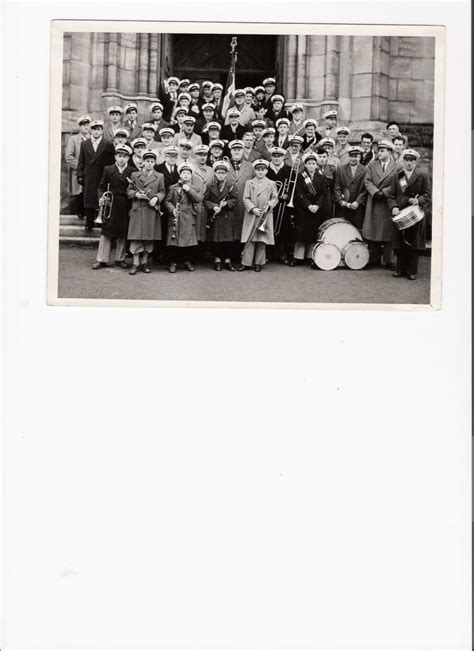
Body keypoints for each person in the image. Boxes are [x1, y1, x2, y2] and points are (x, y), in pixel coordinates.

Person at [386, 148, 431, 280]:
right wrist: (393, 207)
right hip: (400, 212)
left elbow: (427, 194)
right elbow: (391, 195)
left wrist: (418, 200)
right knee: (400, 242)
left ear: (415, 162)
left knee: (413, 242)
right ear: (403, 161)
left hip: (415, 213)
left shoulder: (422, 176)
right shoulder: (397, 176)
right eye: (406, 160)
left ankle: (412, 271)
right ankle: (400, 269)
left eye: (412, 160)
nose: (409, 163)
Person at [92, 143, 134, 269]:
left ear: (128, 158)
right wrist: (101, 197)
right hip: (111, 203)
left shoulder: (132, 171)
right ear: (115, 156)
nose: (121, 159)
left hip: (125, 203)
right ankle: (102, 259)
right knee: (107, 231)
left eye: (124, 156)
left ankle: (120, 259)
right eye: (119, 156)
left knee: (123, 231)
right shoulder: (108, 169)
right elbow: (101, 186)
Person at [126, 150, 166, 274]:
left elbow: (163, 191)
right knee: (136, 238)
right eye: (147, 161)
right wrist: (137, 194)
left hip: (151, 211)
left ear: (154, 163)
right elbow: (128, 191)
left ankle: (144, 263)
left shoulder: (159, 176)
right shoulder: (134, 175)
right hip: (138, 210)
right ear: (142, 162)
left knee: (149, 238)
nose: (149, 164)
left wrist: (156, 198)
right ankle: (135, 263)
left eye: (152, 161)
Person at [361, 139, 398, 268]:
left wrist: (385, 192)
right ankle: (374, 259)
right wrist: (375, 192)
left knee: (387, 231)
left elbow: (398, 184)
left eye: (382, 151)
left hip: (388, 202)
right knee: (374, 229)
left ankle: (388, 260)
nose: (379, 153)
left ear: (390, 152)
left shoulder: (397, 166)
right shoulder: (372, 165)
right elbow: (367, 181)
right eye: (379, 150)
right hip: (374, 200)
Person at [238, 159, 279, 272]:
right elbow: (245, 198)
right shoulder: (249, 182)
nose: (260, 172)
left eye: (263, 170)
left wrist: (269, 205)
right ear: (255, 171)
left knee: (262, 239)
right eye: (258, 170)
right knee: (249, 238)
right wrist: (253, 209)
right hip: (252, 214)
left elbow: (275, 198)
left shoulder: (271, 183)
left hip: (265, 215)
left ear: (266, 171)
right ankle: (246, 262)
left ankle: (259, 263)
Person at [77, 119, 116, 232]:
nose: (96, 132)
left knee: (101, 199)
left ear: (102, 131)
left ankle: (101, 221)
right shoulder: (85, 144)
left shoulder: (107, 144)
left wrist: (110, 176)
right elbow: (81, 161)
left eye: (98, 129)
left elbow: (111, 162)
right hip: (89, 176)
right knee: (89, 200)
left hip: (102, 175)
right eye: (94, 129)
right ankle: (89, 222)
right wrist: (80, 175)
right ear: (91, 131)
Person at [293, 150, 328, 267]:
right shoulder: (300, 176)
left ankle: (310, 256)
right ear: (305, 165)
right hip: (303, 208)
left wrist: (317, 205)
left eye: (313, 163)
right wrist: (308, 205)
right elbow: (299, 193)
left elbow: (324, 194)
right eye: (309, 163)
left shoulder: (321, 178)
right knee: (301, 233)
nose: (311, 166)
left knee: (313, 233)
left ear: (316, 165)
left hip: (316, 209)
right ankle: (298, 257)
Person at [163, 161, 200, 273]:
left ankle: (187, 261)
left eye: (188, 173)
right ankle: (173, 262)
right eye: (183, 173)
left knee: (187, 242)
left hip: (188, 218)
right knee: (174, 242)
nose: (185, 175)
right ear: (179, 174)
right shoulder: (173, 187)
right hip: (176, 218)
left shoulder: (194, 188)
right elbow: (167, 201)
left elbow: (197, 199)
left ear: (191, 175)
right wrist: (172, 209)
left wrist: (188, 189)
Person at [203, 160, 239, 271]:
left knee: (227, 241)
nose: (221, 175)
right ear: (215, 173)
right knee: (216, 240)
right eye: (218, 173)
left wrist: (226, 204)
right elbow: (205, 200)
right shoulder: (210, 185)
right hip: (215, 216)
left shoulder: (231, 186)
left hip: (227, 216)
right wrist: (213, 206)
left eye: (223, 173)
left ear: (226, 174)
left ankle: (228, 260)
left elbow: (236, 200)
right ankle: (217, 259)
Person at [266, 146, 295, 264]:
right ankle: (268, 253)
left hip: (284, 204)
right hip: (269, 203)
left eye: (279, 156)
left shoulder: (289, 169)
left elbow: (293, 187)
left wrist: (287, 194)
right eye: (274, 156)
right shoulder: (266, 168)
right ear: (271, 157)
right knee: (269, 227)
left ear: (283, 157)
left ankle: (282, 253)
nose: (277, 158)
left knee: (283, 228)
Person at [226, 139, 255, 256]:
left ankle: (241, 255)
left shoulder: (250, 166)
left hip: (244, 204)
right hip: (229, 203)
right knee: (229, 229)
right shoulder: (224, 165)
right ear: (231, 151)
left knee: (243, 228)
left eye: (239, 149)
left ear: (243, 151)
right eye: (234, 150)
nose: (237, 152)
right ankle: (229, 255)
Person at [334, 145, 367, 230]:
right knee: (343, 229)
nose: (353, 159)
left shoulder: (365, 170)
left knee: (357, 229)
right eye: (351, 156)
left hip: (358, 207)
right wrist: (341, 202)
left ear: (360, 157)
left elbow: (365, 189)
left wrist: (357, 202)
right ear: (348, 156)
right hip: (343, 207)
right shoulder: (341, 169)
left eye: (355, 156)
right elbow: (337, 186)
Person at [65, 114, 90, 220]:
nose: (85, 127)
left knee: (89, 193)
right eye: (83, 125)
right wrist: (80, 167)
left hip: (90, 173)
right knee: (78, 192)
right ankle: (78, 213)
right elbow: (69, 157)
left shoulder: (93, 139)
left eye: (87, 125)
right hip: (78, 173)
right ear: (80, 127)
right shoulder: (74, 139)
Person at [191, 144, 214, 247]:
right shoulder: (190, 169)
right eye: (200, 154)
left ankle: (203, 254)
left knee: (205, 230)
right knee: (193, 230)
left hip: (207, 206)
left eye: (205, 154)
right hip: (194, 204)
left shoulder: (211, 170)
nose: (202, 157)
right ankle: (192, 256)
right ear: (195, 156)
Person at [315, 145, 337, 220]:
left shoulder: (332, 169)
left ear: (327, 157)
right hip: (316, 197)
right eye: (319, 156)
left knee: (327, 217)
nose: (322, 159)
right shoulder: (313, 169)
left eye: (324, 157)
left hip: (328, 197)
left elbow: (335, 184)